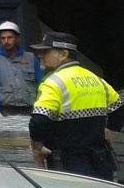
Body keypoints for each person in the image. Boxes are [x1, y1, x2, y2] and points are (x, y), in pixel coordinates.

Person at [28, 31, 123, 180]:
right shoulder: (96, 79)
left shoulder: (53, 83)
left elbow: (38, 121)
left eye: (45, 51)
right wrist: (107, 137)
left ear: (64, 54)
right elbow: (118, 110)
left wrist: (37, 148)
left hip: (68, 168)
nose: (40, 55)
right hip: (100, 164)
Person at [0, 21, 42, 117]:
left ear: (17, 38)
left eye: (10, 37)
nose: (6, 41)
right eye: (3, 38)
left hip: (31, 109)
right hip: (6, 111)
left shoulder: (31, 59)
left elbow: (41, 83)